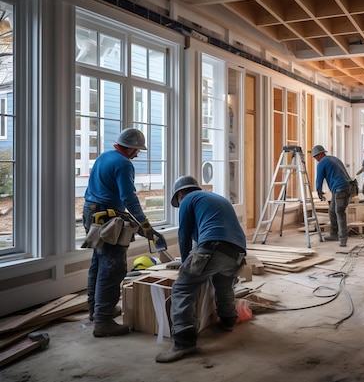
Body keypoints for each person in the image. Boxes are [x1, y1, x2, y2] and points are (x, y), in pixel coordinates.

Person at [156, 175, 247, 363]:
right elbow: (205, 236)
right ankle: (228, 321)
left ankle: (184, 342)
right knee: (223, 283)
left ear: (180, 194)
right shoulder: (216, 198)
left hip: (213, 246)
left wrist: (184, 265)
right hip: (237, 252)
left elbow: (184, 235)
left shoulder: (187, 200)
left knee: (183, 287)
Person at [82, 128, 156, 337]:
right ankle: (103, 321)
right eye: (137, 150)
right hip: (107, 217)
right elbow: (129, 198)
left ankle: (95, 310)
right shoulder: (124, 164)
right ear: (131, 148)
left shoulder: (105, 156)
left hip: (91, 211)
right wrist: (144, 223)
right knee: (113, 266)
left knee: (98, 261)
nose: (137, 154)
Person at [311, 145, 352, 247]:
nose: (316, 159)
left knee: (339, 212)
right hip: (347, 188)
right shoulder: (334, 158)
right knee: (332, 210)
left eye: (316, 157)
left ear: (320, 154)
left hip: (340, 189)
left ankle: (343, 239)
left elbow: (319, 179)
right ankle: (334, 234)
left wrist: (319, 192)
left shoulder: (322, 163)